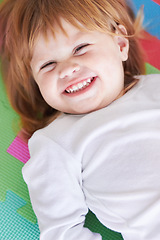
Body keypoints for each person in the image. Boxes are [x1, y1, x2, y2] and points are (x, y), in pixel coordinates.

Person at [0, 0, 160, 239]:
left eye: (80, 48)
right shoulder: (55, 141)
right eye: (48, 65)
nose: (66, 70)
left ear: (120, 43)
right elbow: (61, 232)